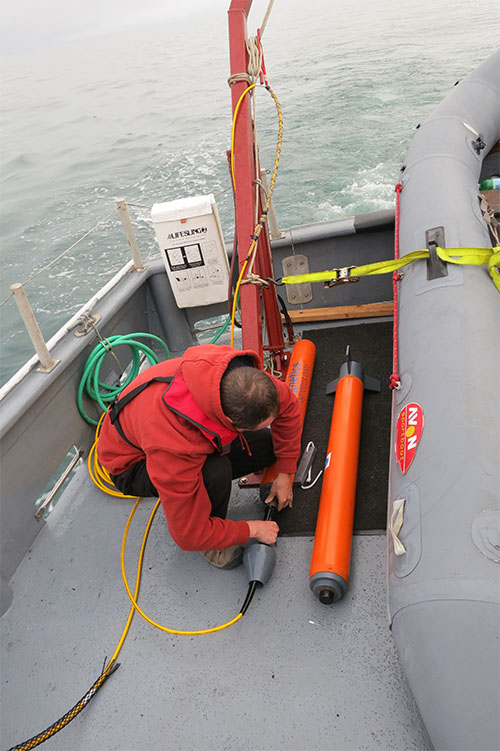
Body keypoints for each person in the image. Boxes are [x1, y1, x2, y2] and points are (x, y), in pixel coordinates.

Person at [97, 344, 302, 569]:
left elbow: (289, 409)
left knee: (267, 445)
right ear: (232, 423)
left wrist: (285, 472)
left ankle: (217, 523)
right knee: (215, 471)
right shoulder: (173, 446)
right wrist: (251, 529)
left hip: (185, 428)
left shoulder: (245, 381)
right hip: (133, 466)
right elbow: (188, 534)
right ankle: (213, 544)